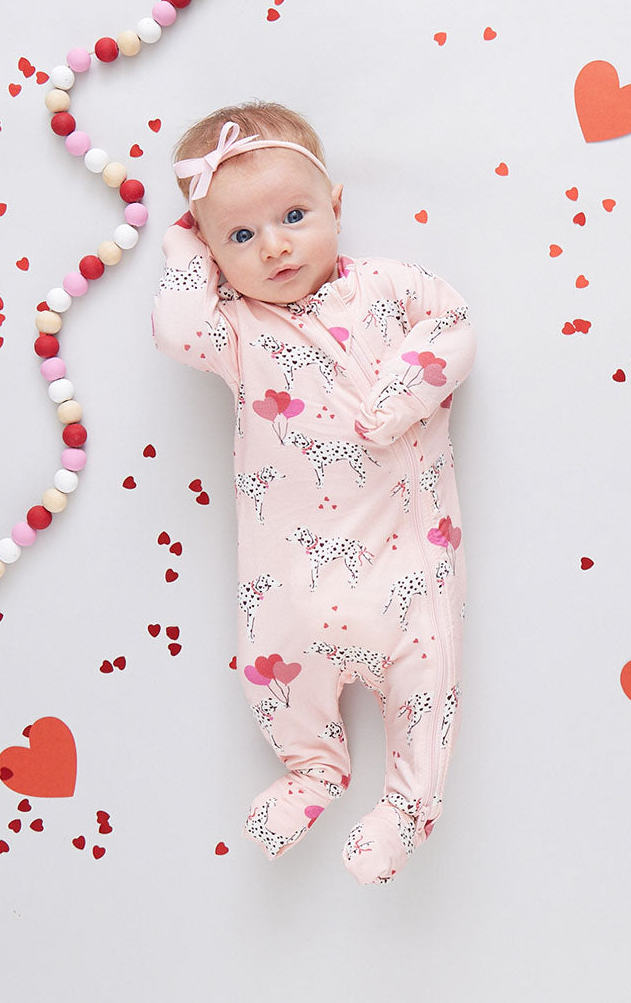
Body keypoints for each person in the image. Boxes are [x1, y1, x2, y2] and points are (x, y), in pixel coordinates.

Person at [153, 101, 477, 885]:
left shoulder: (389, 287)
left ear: (334, 205)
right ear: (211, 252)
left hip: (405, 553)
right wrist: (183, 250)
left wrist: (402, 395)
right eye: (239, 236)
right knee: (269, 657)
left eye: (294, 216)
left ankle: (406, 809)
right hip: (293, 573)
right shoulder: (237, 330)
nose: (274, 246)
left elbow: (455, 325)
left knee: (427, 670)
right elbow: (176, 329)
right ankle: (312, 767)